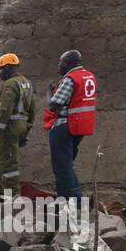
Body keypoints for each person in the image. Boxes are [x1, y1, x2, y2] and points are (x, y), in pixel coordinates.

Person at [47, 49, 97, 201]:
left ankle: (69, 204)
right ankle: (77, 200)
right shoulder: (89, 76)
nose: (58, 67)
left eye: (60, 63)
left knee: (62, 168)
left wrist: (49, 92)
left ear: (69, 63)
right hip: (79, 127)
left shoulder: (71, 78)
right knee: (67, 165)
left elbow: (54, 104)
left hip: (64, 126)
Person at [0, 53, 34, 196]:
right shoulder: (27, 83)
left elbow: (5, 111)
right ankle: (1, 189)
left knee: (9, 165)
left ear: (8, 68)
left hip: (9, 128)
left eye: (0, 69)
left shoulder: (10, 84)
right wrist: (28, 129)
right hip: (20, 126)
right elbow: (33, 108)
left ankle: (13, 195)